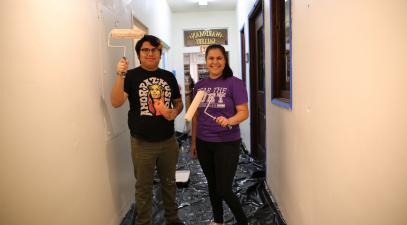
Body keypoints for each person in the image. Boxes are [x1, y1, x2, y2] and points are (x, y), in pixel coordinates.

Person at [111, 34, 184, 225]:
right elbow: (116, 101)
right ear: (139, 54)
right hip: (142, 144)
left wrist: (174, 112)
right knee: (143, 188)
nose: (150, 53)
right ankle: (144, 222)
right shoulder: (132, 76)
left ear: (160, 53)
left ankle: (172, 219)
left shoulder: (168, 76)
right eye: (145, 50)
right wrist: (119, 74)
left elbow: (179, 103)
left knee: (169, 183)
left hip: (168, 142)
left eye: (154, 50)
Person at [191, 44, 249, 225]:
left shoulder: (234, 83)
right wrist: (193, 142)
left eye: (219, 58)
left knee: (224, 188)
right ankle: (218, 221)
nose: (215, 62)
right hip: (203, 142)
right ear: (206, 61)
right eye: (211, 58)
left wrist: (229, 121)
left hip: (227, 142)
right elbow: (196, 117)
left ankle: (243, 222)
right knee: (212, 185)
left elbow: (243, 112)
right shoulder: (200, 86)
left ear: (225, 61)